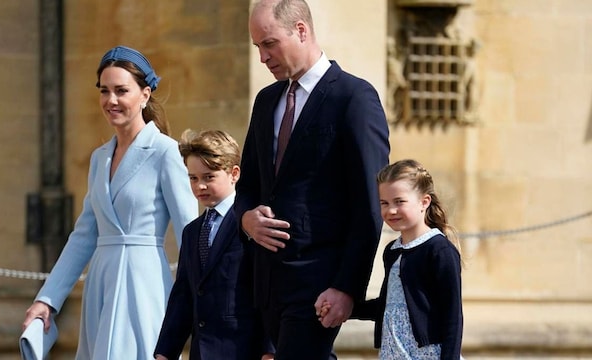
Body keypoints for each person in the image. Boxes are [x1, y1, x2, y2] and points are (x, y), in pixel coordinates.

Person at [233, 1, 391, 359]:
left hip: (319, 285)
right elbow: (248, 187)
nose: (263, 57)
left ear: (301, 30)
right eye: (257, 46)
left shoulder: (353, 98)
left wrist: (347, 287)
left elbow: (369, 205)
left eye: (269, 43)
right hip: (265, 285)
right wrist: (246, 218)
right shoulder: (265, 101)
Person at [21, 45, 198, 359]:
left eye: (121, 90)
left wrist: (202, 301)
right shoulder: (99, 159)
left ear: (145, 94)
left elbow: (190, 233)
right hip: (100, 285)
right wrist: (47, 300)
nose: (111, 100)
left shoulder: (166, 151)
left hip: (144, 286)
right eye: (104, 91)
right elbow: (83, 236)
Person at [154, 129, 274, 360]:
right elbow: (183, 297)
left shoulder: (252, 223)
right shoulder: (192, 232)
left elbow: (269, 289)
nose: (200, 186)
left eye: (209, 177)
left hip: (243, 351)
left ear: (234, 173)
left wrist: (269, 350)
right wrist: (165, 353)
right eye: (193, 178)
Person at [325, 159, 464, 359]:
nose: (391, 210)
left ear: (424, 202)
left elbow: (453, 316)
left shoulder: (439, 250)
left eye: (400, 202)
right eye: (384, 203)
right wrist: (347, 308)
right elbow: (390, 304)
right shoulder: (392, 251)